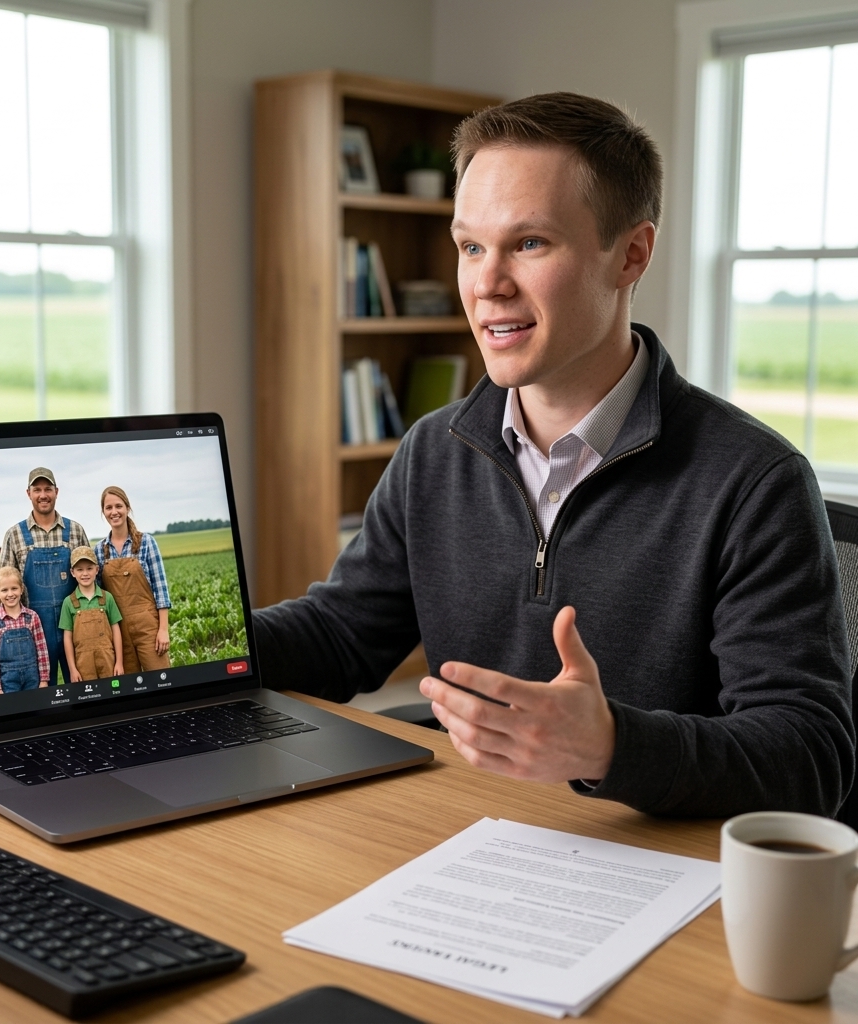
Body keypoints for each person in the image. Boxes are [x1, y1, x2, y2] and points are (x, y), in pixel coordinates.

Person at [252, 92, 855, 819]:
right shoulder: (434, 452)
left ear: (631, 253)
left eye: (530, 243)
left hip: (652, 863)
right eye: (471, 247)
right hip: (463, 836)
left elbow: (809, 756)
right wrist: (191, 648)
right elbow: (340, 636)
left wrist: (609, 746)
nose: (487, 284)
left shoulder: (754, 482)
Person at [0, 467, 90, 686]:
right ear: (28, 493)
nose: (43, 495)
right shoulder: (15, 535)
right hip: (34, 629)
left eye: (48, 489)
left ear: (56, 492)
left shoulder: (75, 531)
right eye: (37, 490)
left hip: (75, 624)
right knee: (44, 690)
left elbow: (92, 576)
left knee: (83, 687)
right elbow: (0, 578)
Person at [94, 486, 172, 674]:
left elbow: (161, 590)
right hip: (119, 632)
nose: (114, 512)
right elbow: (99, 596)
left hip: (148, 628)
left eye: (118, 506)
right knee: (129, 686)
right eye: (108, 508)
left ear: (127, 508)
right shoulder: (99, 550)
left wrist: (163, 630)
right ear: (103, 512)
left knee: (162, 680)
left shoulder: (146, 542)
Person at [60, 546, 124, 683]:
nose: (85, 573)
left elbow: (116, 630)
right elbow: (67, 638)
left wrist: (119, 662)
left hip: (108, 660)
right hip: (83, 664)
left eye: (89, 568)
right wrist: (72, 669)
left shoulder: (107, 598)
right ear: (72, 572)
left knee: (112, 692)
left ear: (97, 569)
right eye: (80, 569)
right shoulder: (68, 602)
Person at [0, 565, 50, 694]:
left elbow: (42, 650)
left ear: (21, 589)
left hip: (32, 679)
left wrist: (44, 679)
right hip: (8, 682)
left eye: (14, 588)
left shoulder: (32, 617)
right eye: (4, 590)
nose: (10, 594)